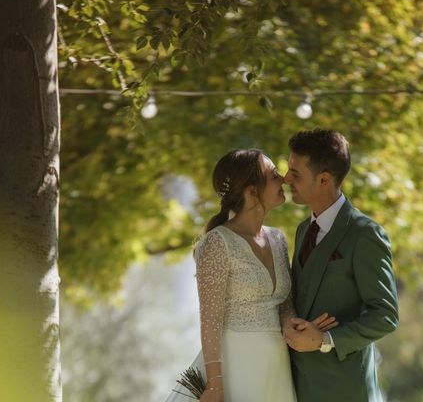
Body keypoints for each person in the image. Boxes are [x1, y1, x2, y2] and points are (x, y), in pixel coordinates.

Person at [165, 148, 335, 402]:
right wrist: (215, 386)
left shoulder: (277, 239)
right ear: (251, 190)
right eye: (273, 175)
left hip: (276, 366)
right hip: (236, 365)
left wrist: (290, 323)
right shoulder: (217, 243)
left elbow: (284, 304)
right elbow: (210, 319)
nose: (284, 179)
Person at [282, 129, 399, 402]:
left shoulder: (365, 234)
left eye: (295, 173)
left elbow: (386, 315)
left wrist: (326, 340)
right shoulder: (302, 231)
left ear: (324, 179)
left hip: (347, 391)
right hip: (300, 389)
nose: (286, 179)